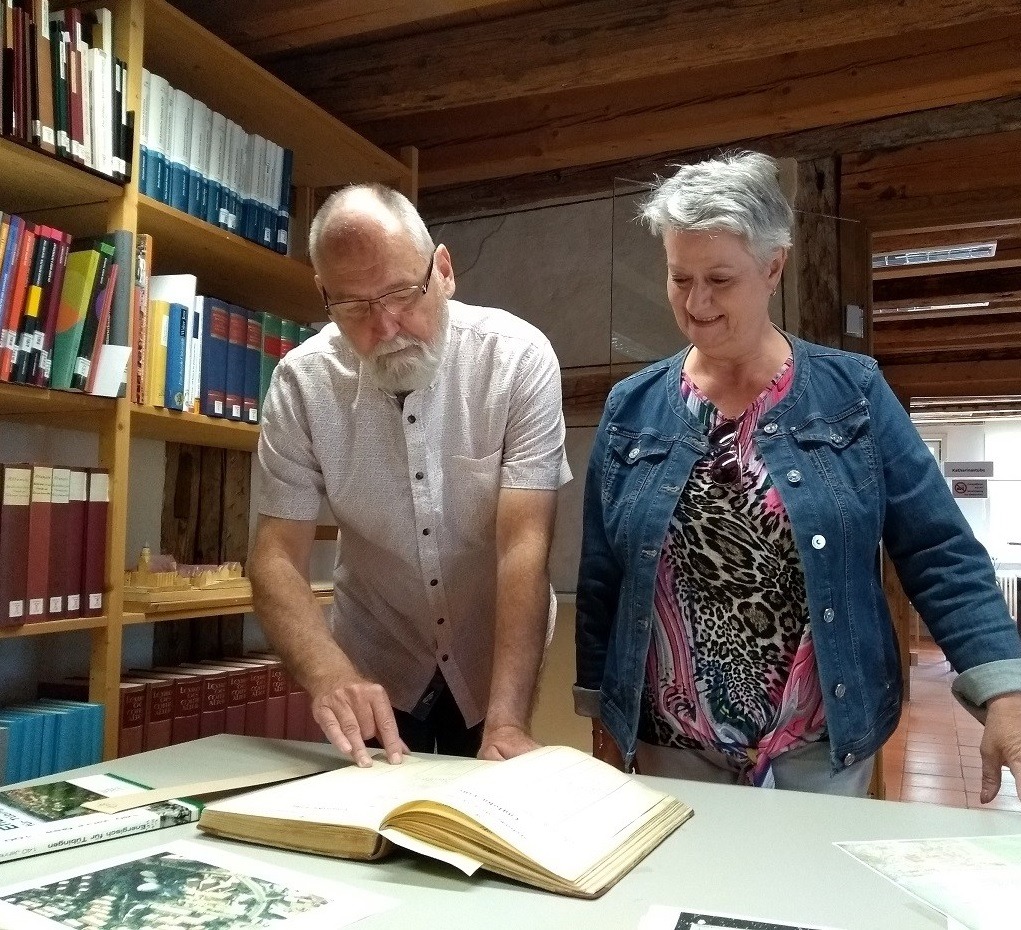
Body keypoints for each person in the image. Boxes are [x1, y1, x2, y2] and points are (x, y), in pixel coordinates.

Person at [574, 151, 1021, 799]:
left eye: (719, 279)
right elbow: (602, 578)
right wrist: (598, 711)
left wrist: (1001, 685)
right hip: (669, 742)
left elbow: (936, 548)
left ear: (772, 266)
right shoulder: (632, 409)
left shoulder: (851, 393)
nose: (695, 304)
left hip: (821, 740)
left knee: (818, 897)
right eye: (679, 278)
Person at [250, 183, 570, 768]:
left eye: (401, 293)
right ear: (323, 294)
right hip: (375, 654)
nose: (387, 324)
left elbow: (524, 546)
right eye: (353, 305)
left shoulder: (517, 358)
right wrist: (330, 675)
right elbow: (275, 558)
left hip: (491, 650)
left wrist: (506, 719)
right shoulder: (301, 383)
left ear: (442, 271)